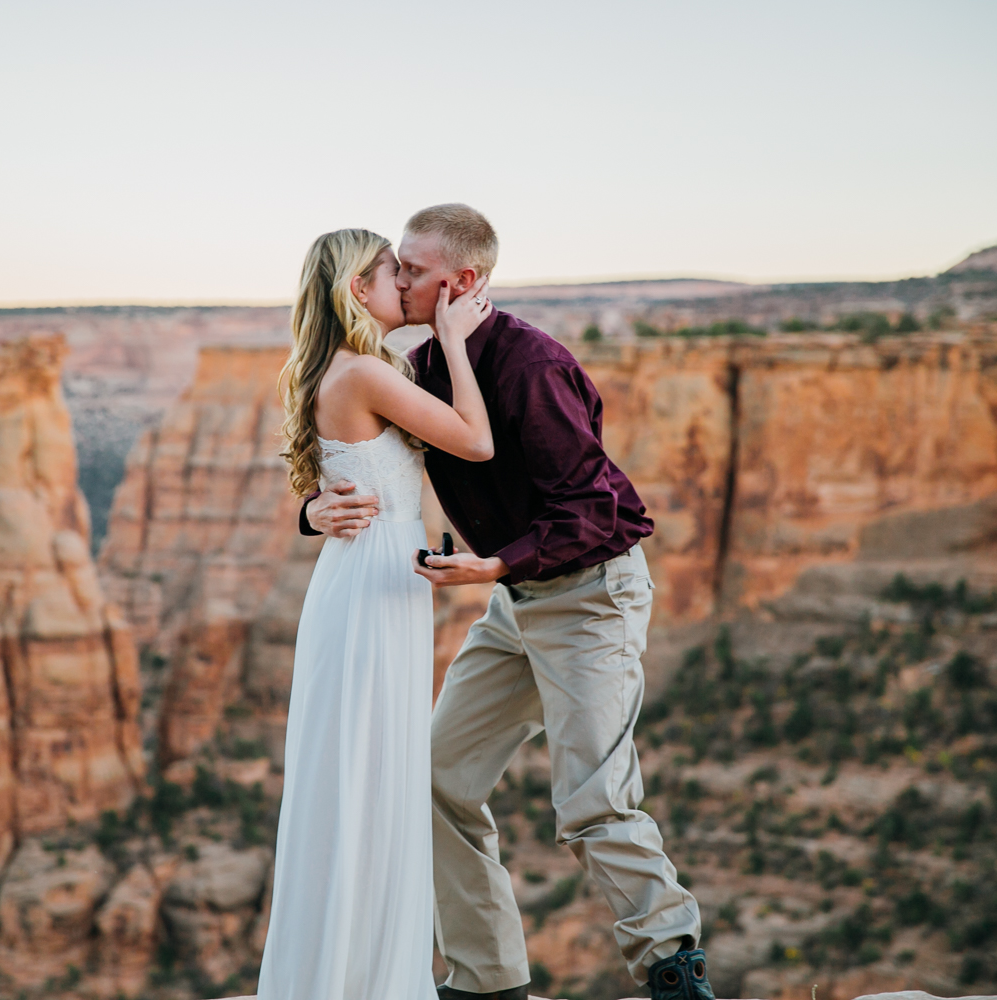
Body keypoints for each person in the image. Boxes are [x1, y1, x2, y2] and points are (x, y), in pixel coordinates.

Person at [302, 204, 715, 1000]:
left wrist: (496, 563)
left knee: (593, 799)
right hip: (515, 604)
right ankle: (487, 980)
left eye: (412, 269)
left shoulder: (530, 366)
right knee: (435, 779)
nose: (399, 277)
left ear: (462, 282)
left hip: (590, 596)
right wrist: (313, 510)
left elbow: (608, 510)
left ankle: (672, 968)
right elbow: (358, 458)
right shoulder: (420, 366)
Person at [256, 227, 494, 1000]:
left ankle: (356, 972)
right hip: (370, 594)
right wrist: (454, 339)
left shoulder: (356, 366)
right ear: (358, 289)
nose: (408, 285)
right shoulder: (363, 372)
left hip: (374, 582)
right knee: (365, 778)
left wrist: (313, 508)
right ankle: (358, 980)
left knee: (372, 776)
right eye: (394, 272)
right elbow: (474, 442)